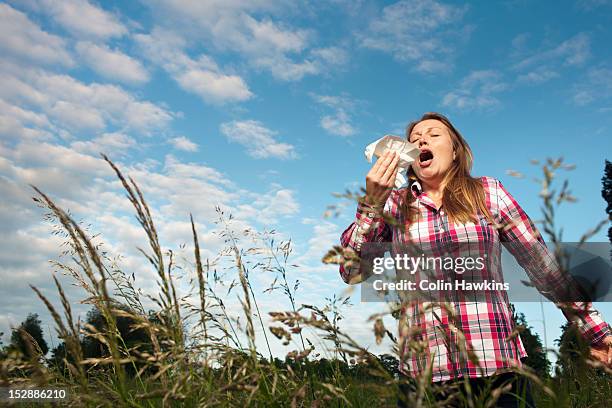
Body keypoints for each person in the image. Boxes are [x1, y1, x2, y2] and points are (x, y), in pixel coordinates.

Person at [338, 112, 612, 407]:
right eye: (415, 138)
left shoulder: (488, 193)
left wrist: (594, 331)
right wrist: (372, 204)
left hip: (496, 370)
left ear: (455, 150)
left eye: (433, 134)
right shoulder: (394, 204)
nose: (421, 140)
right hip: (424, 378)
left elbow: (542, 265)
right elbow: (351, 270)